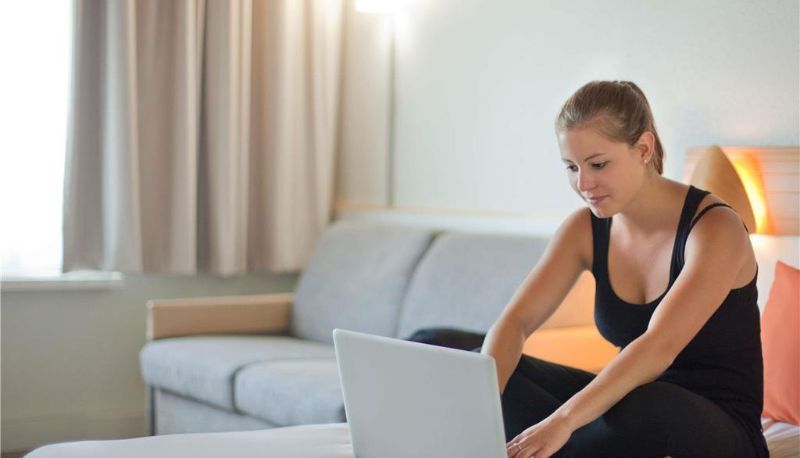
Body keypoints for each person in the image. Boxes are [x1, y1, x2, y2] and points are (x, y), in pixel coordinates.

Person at [477, 81, 769, 458]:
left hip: (715, 427)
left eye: (598, 164)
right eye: (571, 167)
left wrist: (563, 421)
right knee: (484, 364)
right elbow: (515, 322)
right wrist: (481, 400)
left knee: (643, 405)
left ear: (644, 148)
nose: (583, 183)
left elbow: (658, 347)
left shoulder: (715, 228)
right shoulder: (584, 229)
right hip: (628, 407)